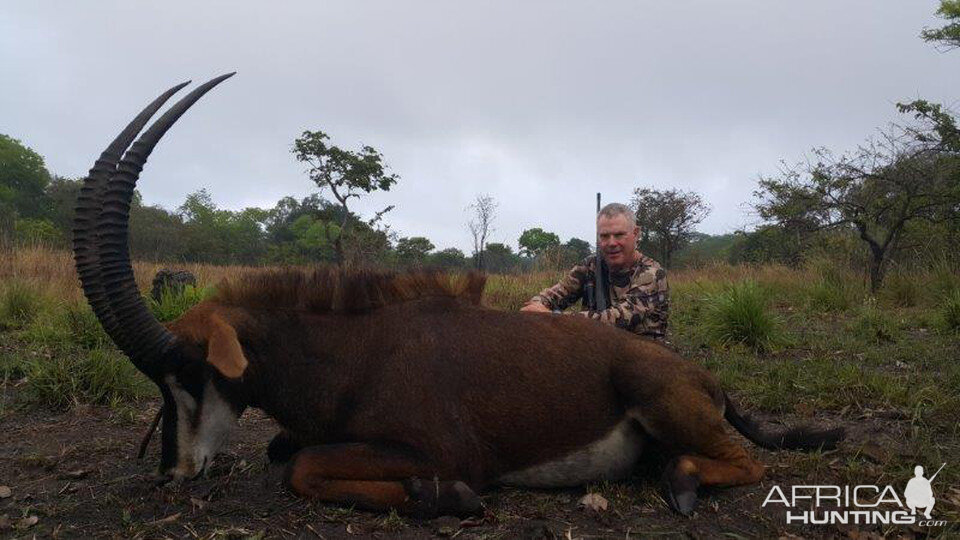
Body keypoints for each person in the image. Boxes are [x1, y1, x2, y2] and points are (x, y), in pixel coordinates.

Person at [521, 203, 669, 341]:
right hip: (598, 351)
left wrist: (553, 317)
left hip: (643, 357)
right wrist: (536, 306)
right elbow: (555, 294)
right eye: (604, 236)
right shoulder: (590, 265)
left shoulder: (652, 273)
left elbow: (619, 319)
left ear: (636, 234)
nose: (611, 243)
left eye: (619, 235)